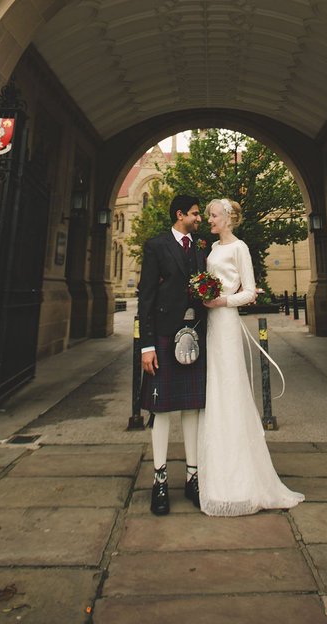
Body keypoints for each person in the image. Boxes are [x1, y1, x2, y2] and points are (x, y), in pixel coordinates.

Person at [198, 197, 304, 516]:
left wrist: (223, 302)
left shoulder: (239, 248)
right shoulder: (213, 249)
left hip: (226, 323)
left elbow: (250, 291)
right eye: (209, 217)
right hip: (210, 325)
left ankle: (243, 482)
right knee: (214, 394)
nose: (210, 221)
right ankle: (216, 477)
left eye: (214, 216)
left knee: (231, 392)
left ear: (228, 218)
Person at [138, 193, 206, 515]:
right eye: (194, 214)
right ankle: (160, 480)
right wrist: (147, 346)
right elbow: (146, 298)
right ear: (180, 215)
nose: (199, 218)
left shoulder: (200, 249)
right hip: (164, 337)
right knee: (162, 411)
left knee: (192, 408)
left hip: (194, 337)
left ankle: (192, 477)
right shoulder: (156, 246)